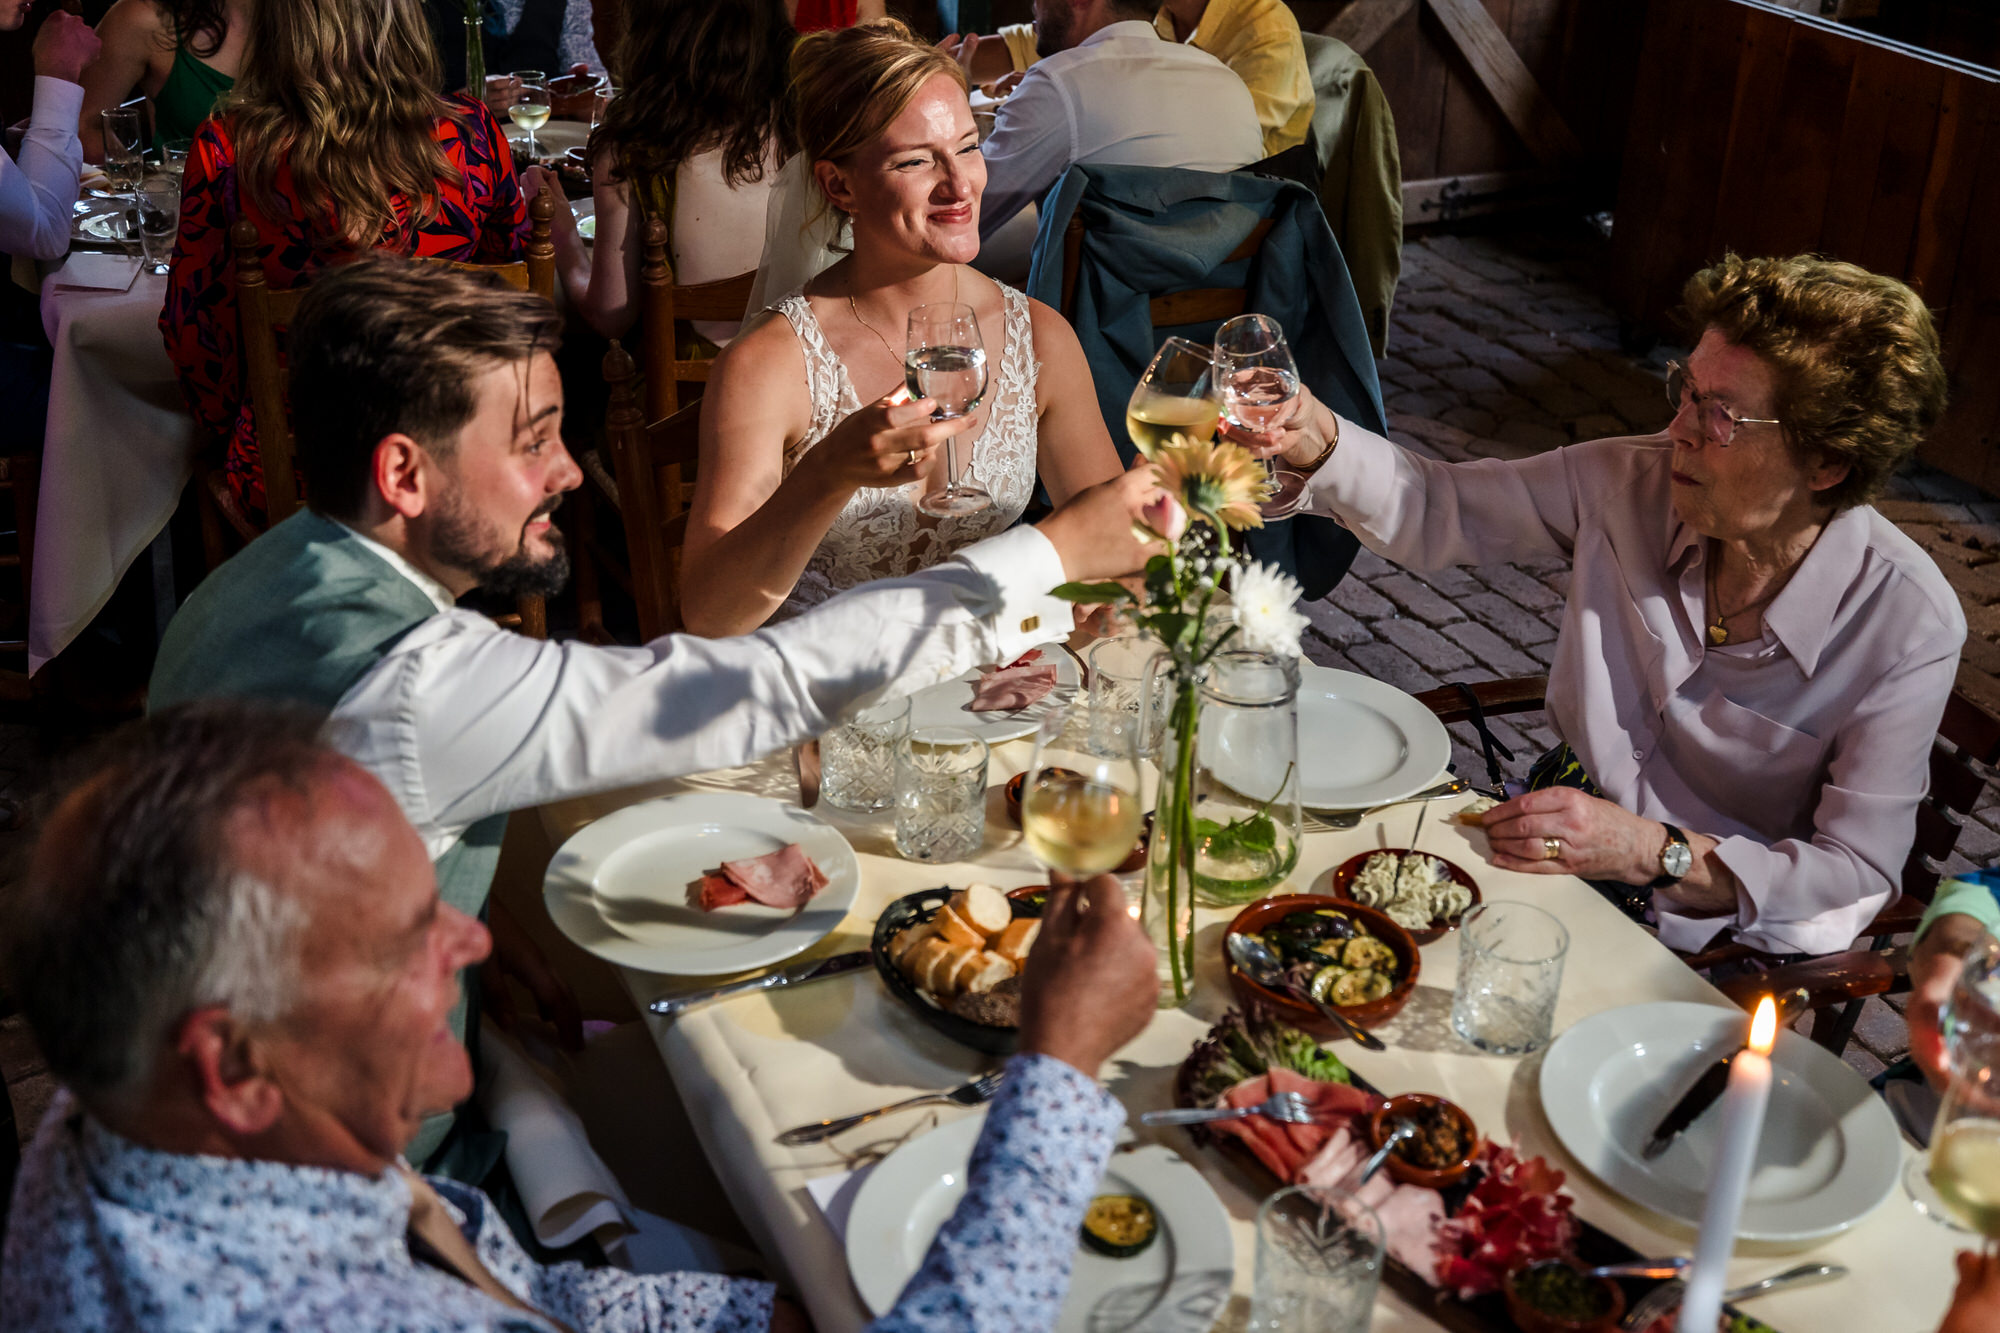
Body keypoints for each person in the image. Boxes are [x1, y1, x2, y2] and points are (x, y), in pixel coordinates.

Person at [149, 255, 1158, 1164]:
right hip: (366, 1183)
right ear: (403, 474)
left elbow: (336, 834)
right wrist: (1054, 553)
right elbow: (768, 684)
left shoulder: (240, 592)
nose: (568, 473)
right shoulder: (419, 678)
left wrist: (460, 923)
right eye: (534, 442)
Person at [1, 701, 1159, 1332]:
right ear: (234, 1066)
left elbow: (515, 1284)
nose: (472, 944)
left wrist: (755, 1318)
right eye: (410, 942)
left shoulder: (125, 1115)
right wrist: (1053, 1065)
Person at [1227, 253, 1960, 957]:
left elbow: (1854, 873)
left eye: (1722, 418)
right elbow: (1437, 506)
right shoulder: (1632, 481)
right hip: (1552, 832)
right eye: (1686, 390)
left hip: (1712, 932)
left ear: (1829, 462)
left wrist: (1653, 850)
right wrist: (1318, 438)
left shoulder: (1906, 625)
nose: (1678, 430)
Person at [684, 20, 1126, 636]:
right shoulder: (770, 364)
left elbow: (1119, 541)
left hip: (994, 689)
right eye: (917, 160)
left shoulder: (1040, 337)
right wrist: (826, 473)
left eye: (969, 147)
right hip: (827, 697)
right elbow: (709, 616)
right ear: (840, 184)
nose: (960, 185)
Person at [159, 0, 529, 520]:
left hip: (304, 478)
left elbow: (198, 339)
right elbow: (507, 300)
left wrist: (231, 430)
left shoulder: (228, 151)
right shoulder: (475, 133)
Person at [526, 0, 794, 346]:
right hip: (803, 386)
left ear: (650, 29)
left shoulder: (634, 145)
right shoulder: (807, 124)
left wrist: (561, 233)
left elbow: (611, 316)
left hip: (685, 395)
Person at [972, 0, 1263, 276]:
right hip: (1232, 313)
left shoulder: (1058, 82)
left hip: (1098, 318)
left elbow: (969, 211)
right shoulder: (1228, 82)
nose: (1034, 4)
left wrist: (952, 105)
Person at [943, 0, 1313, 159]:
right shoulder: (1153, 15)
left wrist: (1063, 97)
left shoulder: (1267, 30)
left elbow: (1227, 157)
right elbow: (1037, 38)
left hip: (1241, 239)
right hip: (1136, 228)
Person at [77, 0, 248, 161]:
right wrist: (135, 178)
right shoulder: (144, 17)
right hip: (185, 189)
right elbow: (80, 126)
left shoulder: (272, 16)